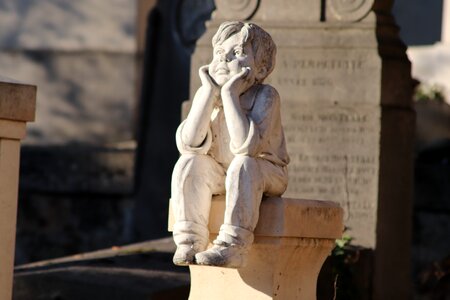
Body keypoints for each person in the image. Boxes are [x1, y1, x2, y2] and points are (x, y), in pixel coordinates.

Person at [171, 21, 289, 268]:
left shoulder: (265, 96)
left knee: (243, 165)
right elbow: (189, 144)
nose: (223, 61)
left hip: (264, 170)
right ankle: (190, 240)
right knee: (189, 163)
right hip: (223, 171)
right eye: (219, 54)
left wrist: (229, 95)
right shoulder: (209, 96)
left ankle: (232, 245)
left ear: (261, 68)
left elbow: (247, 147)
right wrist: (207, 94)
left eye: (235, 54)